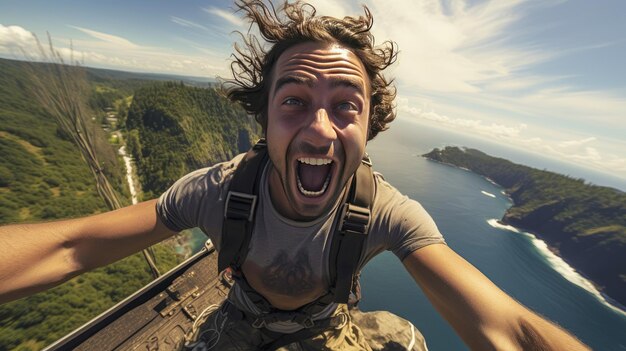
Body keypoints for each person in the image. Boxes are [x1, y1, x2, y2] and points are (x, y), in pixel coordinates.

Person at [0, 1, 590, 350]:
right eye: (295, 101)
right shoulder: (218, 191)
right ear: (265, 118)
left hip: (326, 329)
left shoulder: (386, 213)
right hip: (238, 319)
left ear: (369, 127)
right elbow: (72, 247)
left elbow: (503, 327)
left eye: (344, 106)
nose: (320, 130)